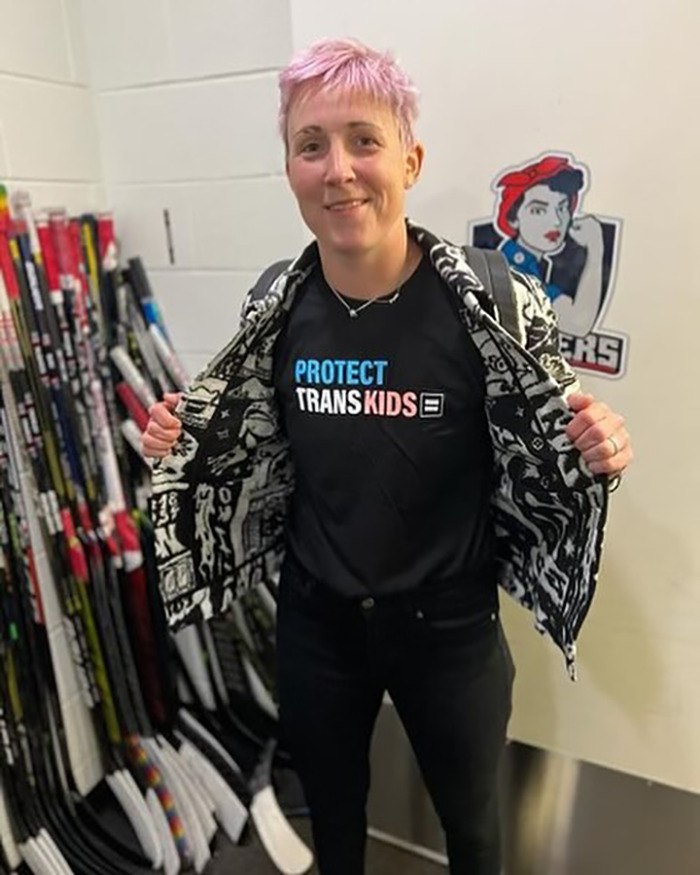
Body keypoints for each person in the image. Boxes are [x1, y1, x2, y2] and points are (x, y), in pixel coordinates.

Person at [142, 39, 632, 875]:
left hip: (451, 627)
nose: (338, 170)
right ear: (290, 168)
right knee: (334, 822)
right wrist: (178, 440)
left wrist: (601, 446)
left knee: (473, 829)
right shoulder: (274, 303)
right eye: (311, 145)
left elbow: (561, 437)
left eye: (363, 140)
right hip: (317, 621)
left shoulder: (493, 301)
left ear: (410, 158)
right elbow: (243, 443)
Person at [494, 155, 606, 337]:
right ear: (513, 218)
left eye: (562, 208)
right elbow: (577, 323)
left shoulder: (527, 263)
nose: (556, 221)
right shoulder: (514, 268)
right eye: (538, 210)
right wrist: (595, 249)